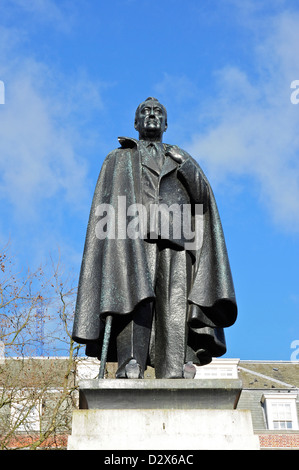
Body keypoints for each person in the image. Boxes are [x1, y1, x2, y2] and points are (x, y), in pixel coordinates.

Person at [72, 97, 237, 379]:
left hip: (176, 239)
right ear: (135, 123)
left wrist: (186, 166)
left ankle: (176, 366)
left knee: (174, 302)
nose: (152, 115)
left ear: (166, 123)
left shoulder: (181, 157)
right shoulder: (118, 158)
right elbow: (105, 205)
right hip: (130, 238)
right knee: (133, 299)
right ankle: (130, 363)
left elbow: (203, 198)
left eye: (158, 112)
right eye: (145, 111)